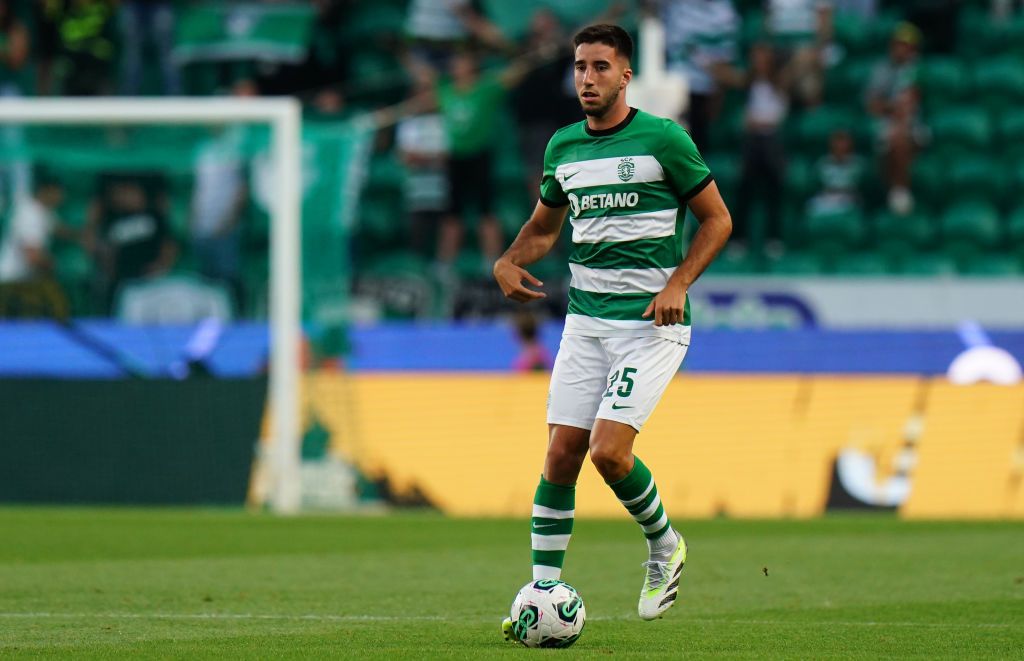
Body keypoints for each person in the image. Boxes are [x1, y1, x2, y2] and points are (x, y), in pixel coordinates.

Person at [493, 24, 732, 630]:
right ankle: (543, 593)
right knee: (560, 454)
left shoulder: (664, 139)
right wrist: (508, 259)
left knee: (607, 451)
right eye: (579, 67)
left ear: (626, 75)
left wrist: (678, 283)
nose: (587, 79)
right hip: (585, 324)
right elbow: (545, 228)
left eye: (600, 67)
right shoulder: (564, 147)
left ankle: (664, 544)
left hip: (650, 326)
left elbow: (717, 220)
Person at [86, 174, 177, 311]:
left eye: (129, 192)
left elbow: (169, 244)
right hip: (121, 280)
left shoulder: (154, 216)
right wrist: (108, 266)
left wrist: (161, 265)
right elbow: (101, 247)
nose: (123, 197)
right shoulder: (112, 220)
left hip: (152, 279)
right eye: (118, 194)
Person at [660, 0, 740, 151]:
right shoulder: (675, 6)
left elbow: (725, 64)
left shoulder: (725, 12)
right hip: (671, 83)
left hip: (702, 90)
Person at [865, 22, 923, 215]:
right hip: (885, 123)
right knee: (890, 137)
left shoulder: (917, 69)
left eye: (906, 45)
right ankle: (891, 193)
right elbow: (872, 105)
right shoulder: (880, 69)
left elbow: (910, 103)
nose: (900, 49)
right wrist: (891, 108)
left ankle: (899, 190)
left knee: (899, 137)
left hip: (915, 125)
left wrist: (892, 109)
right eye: (898, 44)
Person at [0, 173, 67, 283]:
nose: (61, 197)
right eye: (58, 193)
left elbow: (59, 228)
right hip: (12, 280)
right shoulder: (30, 215)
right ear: (45, 190)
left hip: (21, 280)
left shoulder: (44, 211)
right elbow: (33, 256)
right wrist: (59, 267)